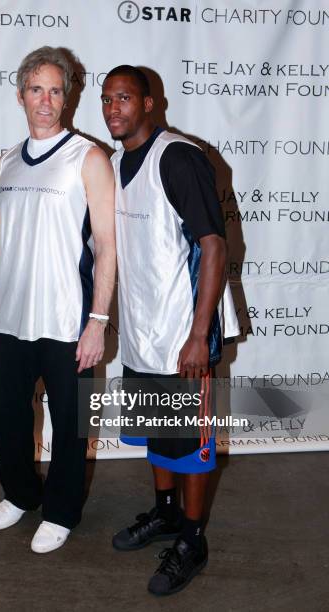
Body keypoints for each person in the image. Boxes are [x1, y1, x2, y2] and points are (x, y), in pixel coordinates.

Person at [0, 47, 116, 554]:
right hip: (12, 314)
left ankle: (61, 511)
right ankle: (20, 493)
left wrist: (98, 320)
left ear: (68, 97)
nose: (47, 101)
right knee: (5, 416)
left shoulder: (89, 158)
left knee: (70, 424)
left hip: (67, 318)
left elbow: (107, 246)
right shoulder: (6, 161)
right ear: (20, 95)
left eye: (56, 90)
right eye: (37, 89)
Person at [101, 65, 239, 595]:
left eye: (126, 98)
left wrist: (199, 334)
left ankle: (194, 538)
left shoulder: (177, 157)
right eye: (108, 100)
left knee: (190, 444)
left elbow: (213, 246)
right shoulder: (114, 164)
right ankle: (165, 513)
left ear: (151, 103)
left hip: (184, 336)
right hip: (143, 332)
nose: (115, 108)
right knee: (159, 436)